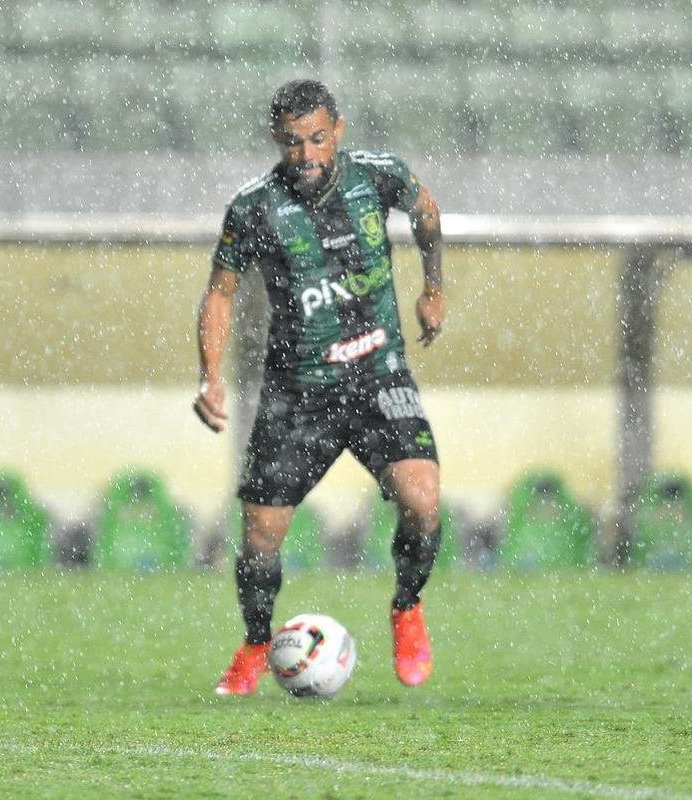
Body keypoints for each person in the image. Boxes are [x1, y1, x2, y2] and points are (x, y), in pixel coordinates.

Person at [193, 79, 446, 695]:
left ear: (338, 129)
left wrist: (433, 286)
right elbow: (220, 292)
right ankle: (256, 644)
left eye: (316, 140)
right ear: (275, 140)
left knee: (422, 499)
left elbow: (426, 211)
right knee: (259, 532)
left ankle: (406, 607)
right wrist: (209, 375)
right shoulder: (253, 207)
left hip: (376, 376)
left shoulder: (378, 177)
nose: (306, 156)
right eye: (291, 144)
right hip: (297, 391)